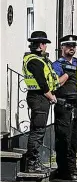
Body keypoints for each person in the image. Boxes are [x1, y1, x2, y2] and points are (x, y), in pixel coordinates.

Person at [52, 35, 77, 180]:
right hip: (64, 105)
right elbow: (54, 84)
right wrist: (67, 74)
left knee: (75, 139)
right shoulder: (57, 65)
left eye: (73, 45)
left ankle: (72, 168)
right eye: (68, 45)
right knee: (63, 138)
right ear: (62, 48)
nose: (71, 48)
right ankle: (63, 170)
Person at [22, 31, 59, 173]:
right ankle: (32, 164)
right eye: (43, 43)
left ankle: (33, 162)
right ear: (39, 45)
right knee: (37, 132)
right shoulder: (35, 61)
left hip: (38, 97)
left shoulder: (37, 59)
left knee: (38, 130)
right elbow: (42, 82)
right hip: (39, 97)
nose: (44, 46)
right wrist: (51, 96)